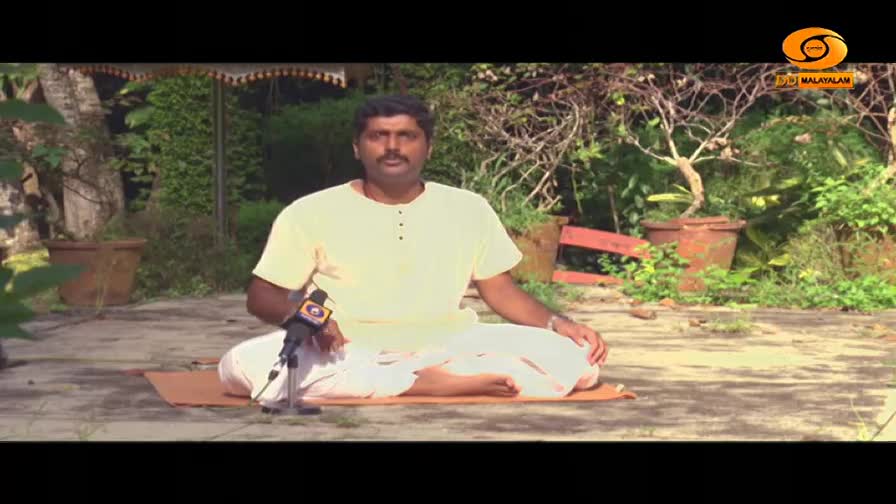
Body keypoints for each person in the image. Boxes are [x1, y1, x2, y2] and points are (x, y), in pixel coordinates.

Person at [218, 94, 609, 406]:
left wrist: (559, 325)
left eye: (406, 136)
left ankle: (413, 379)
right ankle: (416, 383)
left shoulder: (467, 207)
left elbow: (500, 290)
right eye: (378, 136)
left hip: (450, 345)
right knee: (240, 366)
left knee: (575, 360)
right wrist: (310, 318)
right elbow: (262, 295)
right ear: (358, 148)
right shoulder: (310, 212)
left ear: (428, 148)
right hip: (349, 347)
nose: (392, 147)